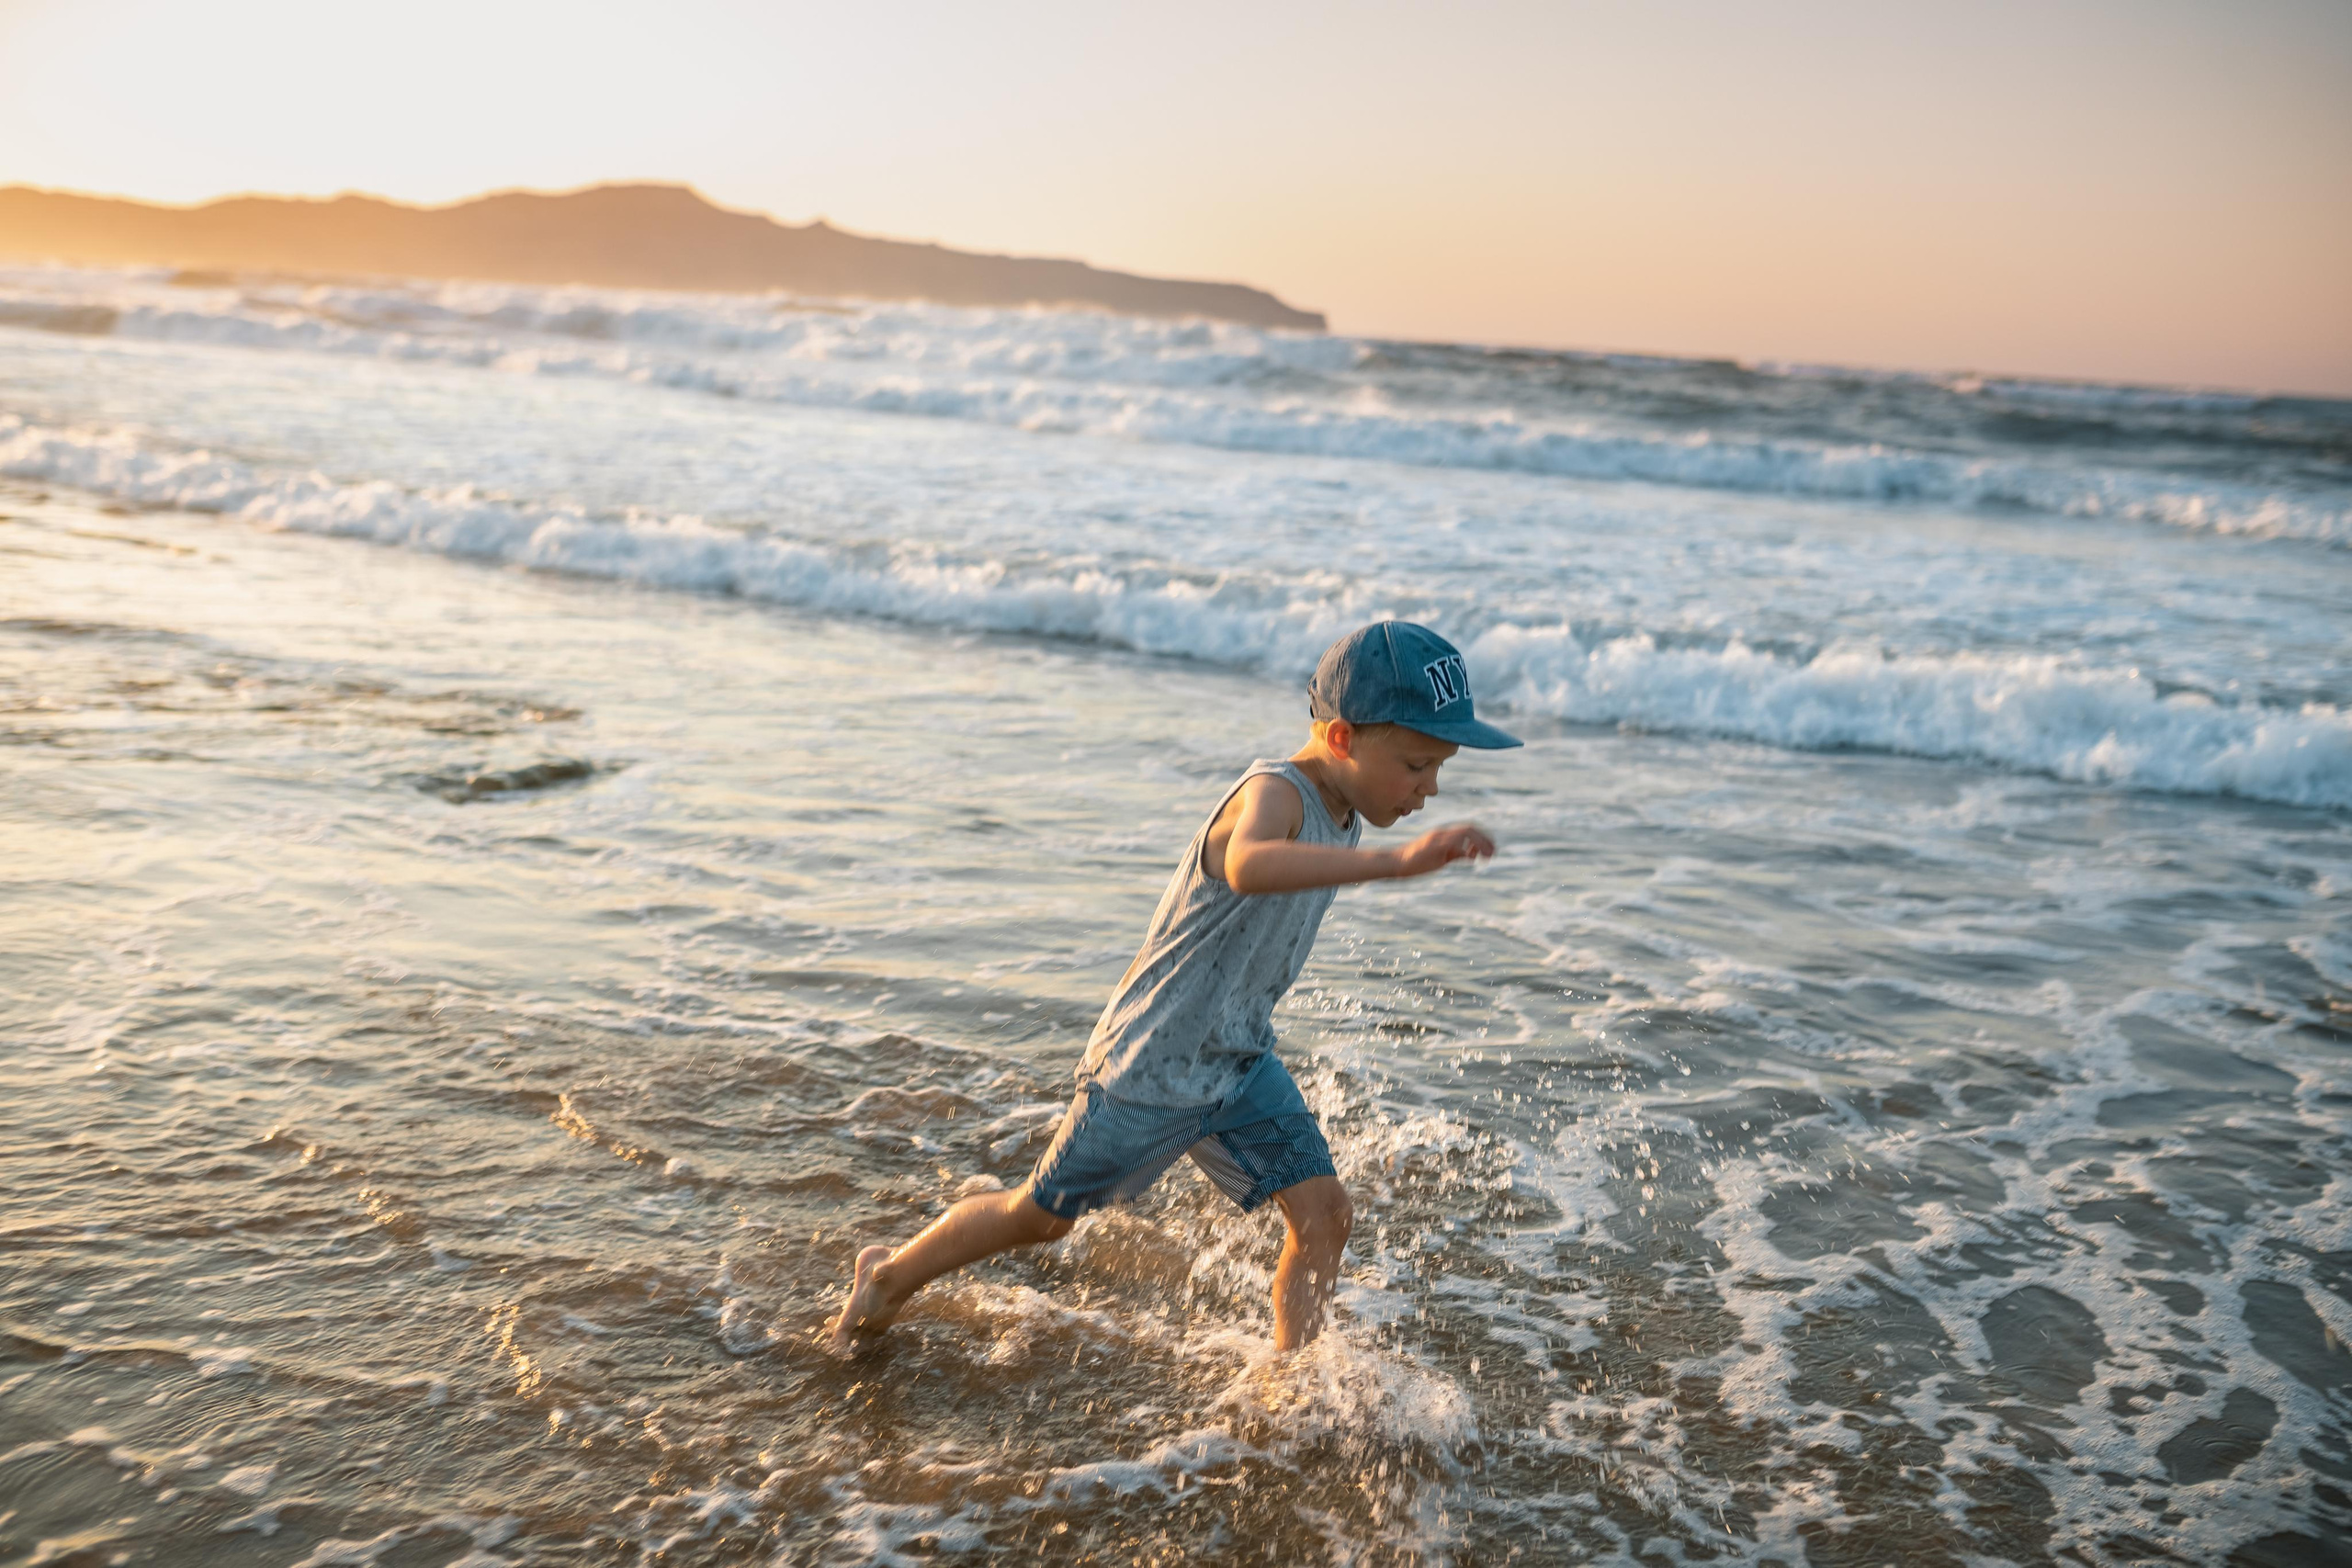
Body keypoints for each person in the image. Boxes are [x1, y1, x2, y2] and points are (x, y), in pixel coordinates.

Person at [829, 621, 1521, 1357]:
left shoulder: (1349, 810)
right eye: (1418, 763)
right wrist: (1395, 865)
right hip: (1152, 1061)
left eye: (1439, 767)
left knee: (1326, 1215)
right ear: (1344, 737)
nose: (1431, 787)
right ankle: (889, 1275)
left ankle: (1293, 1384)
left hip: (1237, 1059)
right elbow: (1252, 863)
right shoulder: (1273, 793)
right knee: (1040, 1216)